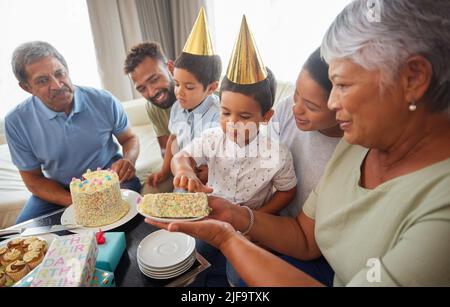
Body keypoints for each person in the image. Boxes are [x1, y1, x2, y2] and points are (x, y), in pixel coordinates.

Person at [147, 0, 450, 286]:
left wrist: (230, 239)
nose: (332, 103)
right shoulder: (355, 145)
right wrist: (233, 218)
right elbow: (305, 237)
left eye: (343, 85)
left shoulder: (440, 211)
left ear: (413, 78)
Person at [170, 16, 297, 287]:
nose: (232, 123)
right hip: (211, 217)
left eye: (244, 116)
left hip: (247, 230)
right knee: (193, 265)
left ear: (266, 116)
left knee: (238, 278)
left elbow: (288, 190)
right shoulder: (214, 138)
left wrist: (260, 216)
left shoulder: (277, 153)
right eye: (226, 113)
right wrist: (184, 171)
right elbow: (182, 157)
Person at [6, 41, 142, 224]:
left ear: (67, 69)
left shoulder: (103, 100)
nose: (56, 85)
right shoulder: (16, 122)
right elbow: (33, 179)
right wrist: (77, 202)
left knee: (124, 223)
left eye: (59, 73)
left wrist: (128, 160)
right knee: (25, 233)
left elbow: (129, 139)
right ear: (27, 87)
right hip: (58, 189)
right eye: (42, 80)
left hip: (111, 182)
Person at [147, 8, 222, 190]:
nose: (179, 92)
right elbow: (174, 139)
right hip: (181, 182)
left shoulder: (218, 115)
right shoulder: (177, 108)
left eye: (189, 87)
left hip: (210, 187)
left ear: (211, 88)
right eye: (177, 83)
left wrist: (210, 171)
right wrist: (165, 170)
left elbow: (225, 156)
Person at [270, 47, 342, 217]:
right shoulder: (287, 107)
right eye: (296, 94)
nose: (296, 109)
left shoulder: (349, 149)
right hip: (268, 213)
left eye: (311, 106)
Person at [124, 42, 176, 157]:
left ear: (171, 68)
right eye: (142, 89)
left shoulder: (205, 96)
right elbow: (165, 149)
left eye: (154, 80)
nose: (152, 93)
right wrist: (164, 173)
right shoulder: (153, 106)